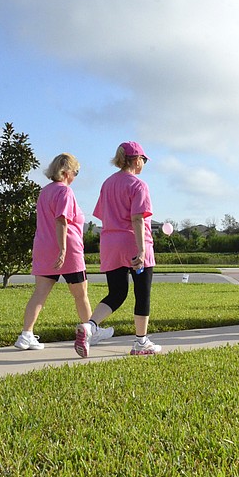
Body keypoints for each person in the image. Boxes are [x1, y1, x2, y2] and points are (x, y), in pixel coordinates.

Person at [14, 153, 114, 352]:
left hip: (43, 248)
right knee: (81, 294)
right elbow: (61, 220)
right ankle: (91, 332)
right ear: (67, 172)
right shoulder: (65, 192)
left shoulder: (45, 192)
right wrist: (63, 249)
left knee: (39, 294)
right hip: (68, 251)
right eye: (76, 172)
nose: (75, 176)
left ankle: (26, 335)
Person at [84, 141, 161, 357]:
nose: (143, 164)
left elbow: (102, 214)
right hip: (133, 243)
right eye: (143, 160)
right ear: (136, 160)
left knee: (117, 293)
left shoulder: (107, 183)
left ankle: (89, 326)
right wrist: (142, 250)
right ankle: (141, 342)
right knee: (142, 293)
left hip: (110, 244)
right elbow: (137, 218)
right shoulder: (138, 185)